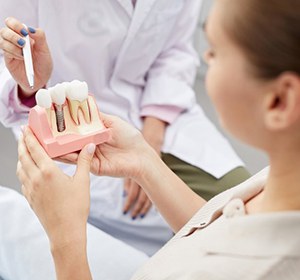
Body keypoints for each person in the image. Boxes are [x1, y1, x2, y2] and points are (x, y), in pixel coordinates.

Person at [16, 0, 300, 278]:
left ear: (279, 101)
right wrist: (144, 162)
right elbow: (220, 233)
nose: (205, 58)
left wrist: (66, 239)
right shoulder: (271, 186)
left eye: (214, 52)